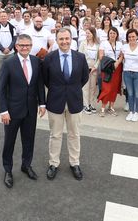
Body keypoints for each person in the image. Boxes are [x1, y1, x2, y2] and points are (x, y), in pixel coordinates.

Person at [0, 34, 46, 189]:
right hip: (12, 111)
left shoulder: (36, 61)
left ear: (31, 46)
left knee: (29, 140)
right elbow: (1, 89)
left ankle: (26, 165)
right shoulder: (8, 63)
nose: (25, 48)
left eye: (28, 45)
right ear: (16, 46)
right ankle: (8, 170)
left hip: (31, 110)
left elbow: (39, 84)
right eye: (22, 45)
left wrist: (42, 104)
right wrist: (3, 110)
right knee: (9, 142)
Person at [42, 27, 89, 181]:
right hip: (55, 101)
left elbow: (84, 78)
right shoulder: (49, 58)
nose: (64, 42)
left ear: (71, 40)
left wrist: (71, 90)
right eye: (61, 39)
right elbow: (46, 80)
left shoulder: (80, 58)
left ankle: (74, 163)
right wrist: (58, 90)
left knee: (74, 134)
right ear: (57, 40)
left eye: (67, 39)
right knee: (55, 135)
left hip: (74, 101)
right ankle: (53, 163)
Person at [117, 28, 138, 123]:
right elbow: (121, 58)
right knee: (130, 93)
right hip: (127, 73)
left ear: (137, 37)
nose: (131, 38)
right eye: (129, 37)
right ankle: (131, 111)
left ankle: (136, 112)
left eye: (133, 36)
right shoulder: (124, 47)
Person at [97, 27, 123, 117]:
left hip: (117, 68)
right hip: (107, 68)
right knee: (106, 88)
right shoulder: (103, 43)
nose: (112, 35)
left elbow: (122, 56)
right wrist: (112, 64)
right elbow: (101, 56)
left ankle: (111, 107)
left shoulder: (120, 44)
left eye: (114, 33)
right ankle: (103, 108)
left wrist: (118, 62)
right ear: (108, 34)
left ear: (117, 35)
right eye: (111, 33)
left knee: (114, 88)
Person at [78, 27, 100, 114]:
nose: (87, 35)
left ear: (93, 34)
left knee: (93, 87)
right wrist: (84, 67)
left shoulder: (97, 44)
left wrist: (95, 66)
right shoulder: (83, 44)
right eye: (86, 33)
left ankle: (91, 103)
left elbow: (99, 58)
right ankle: (85, 105)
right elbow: (80, 56)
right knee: (85, 87)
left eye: (89, 33)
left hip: (94, 68)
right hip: (85, 68)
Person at [0, 11, 18, 88]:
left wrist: (9, 48)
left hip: (10, 53)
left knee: (11, 70)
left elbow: (14, 39)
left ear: (7, 17)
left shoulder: (12, 27)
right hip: (0, 53)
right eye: (2, 16)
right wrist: (3, 49)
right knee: (0, 71)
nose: (3, 18)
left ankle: (10, 87)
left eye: (5, 16)